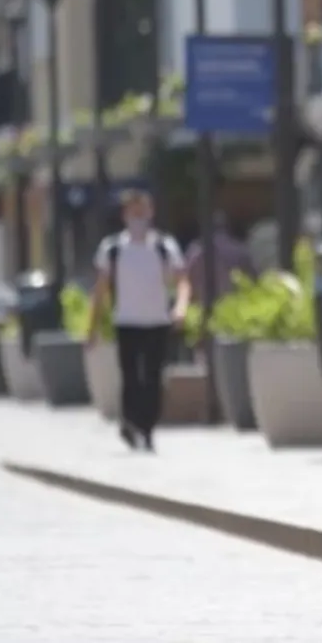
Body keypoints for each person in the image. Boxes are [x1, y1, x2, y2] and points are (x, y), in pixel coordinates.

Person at [88, 190, 190, 452]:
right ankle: (130, 423)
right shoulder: (112, 248)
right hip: (127, 321)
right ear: (125, 216)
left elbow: (182, 282)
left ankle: (147, 428)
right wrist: (92, 328)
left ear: (151, 212)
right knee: (131, 378)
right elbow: (100, 289)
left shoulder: (164, 246)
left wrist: (180, 307)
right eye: (134, 213)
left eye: (143, 212)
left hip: (157, 320)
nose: (139, 218)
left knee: (154, 378)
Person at [185, 209, 256, 304]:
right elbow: (253, 278)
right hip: (234, 307)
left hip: (202, 306)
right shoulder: (239, 250)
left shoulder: (195, 250)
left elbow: (186, 278)